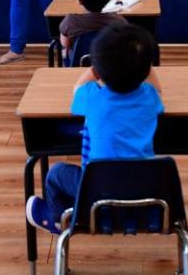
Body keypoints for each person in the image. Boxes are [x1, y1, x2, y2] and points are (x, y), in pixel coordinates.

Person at [25, 23, 163, 233]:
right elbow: (157, 88)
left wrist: (95, 68)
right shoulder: (150, 99)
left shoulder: (92, 98)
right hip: (142, 191)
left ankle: (60, 220)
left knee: (55, 174)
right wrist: (141, 64)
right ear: (145, 70)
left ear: (97, 71)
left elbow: (77, 87)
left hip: (95, 191)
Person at [59, 0, 126, 61]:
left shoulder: (70, 22)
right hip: (109, 68)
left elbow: (65, 43)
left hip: (78, 67)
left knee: (65, 51)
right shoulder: (119, 22)